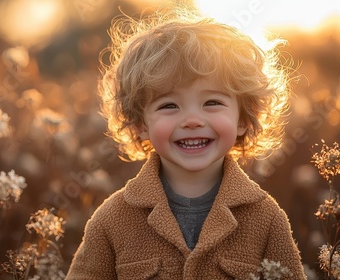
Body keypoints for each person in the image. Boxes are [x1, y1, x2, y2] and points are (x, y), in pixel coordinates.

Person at [66, 6, 306, 280]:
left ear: (243, 118)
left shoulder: (266, 218)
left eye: (212, 102)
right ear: (141, 124)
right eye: (169, 105)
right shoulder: (112, 218)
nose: (192, 120)